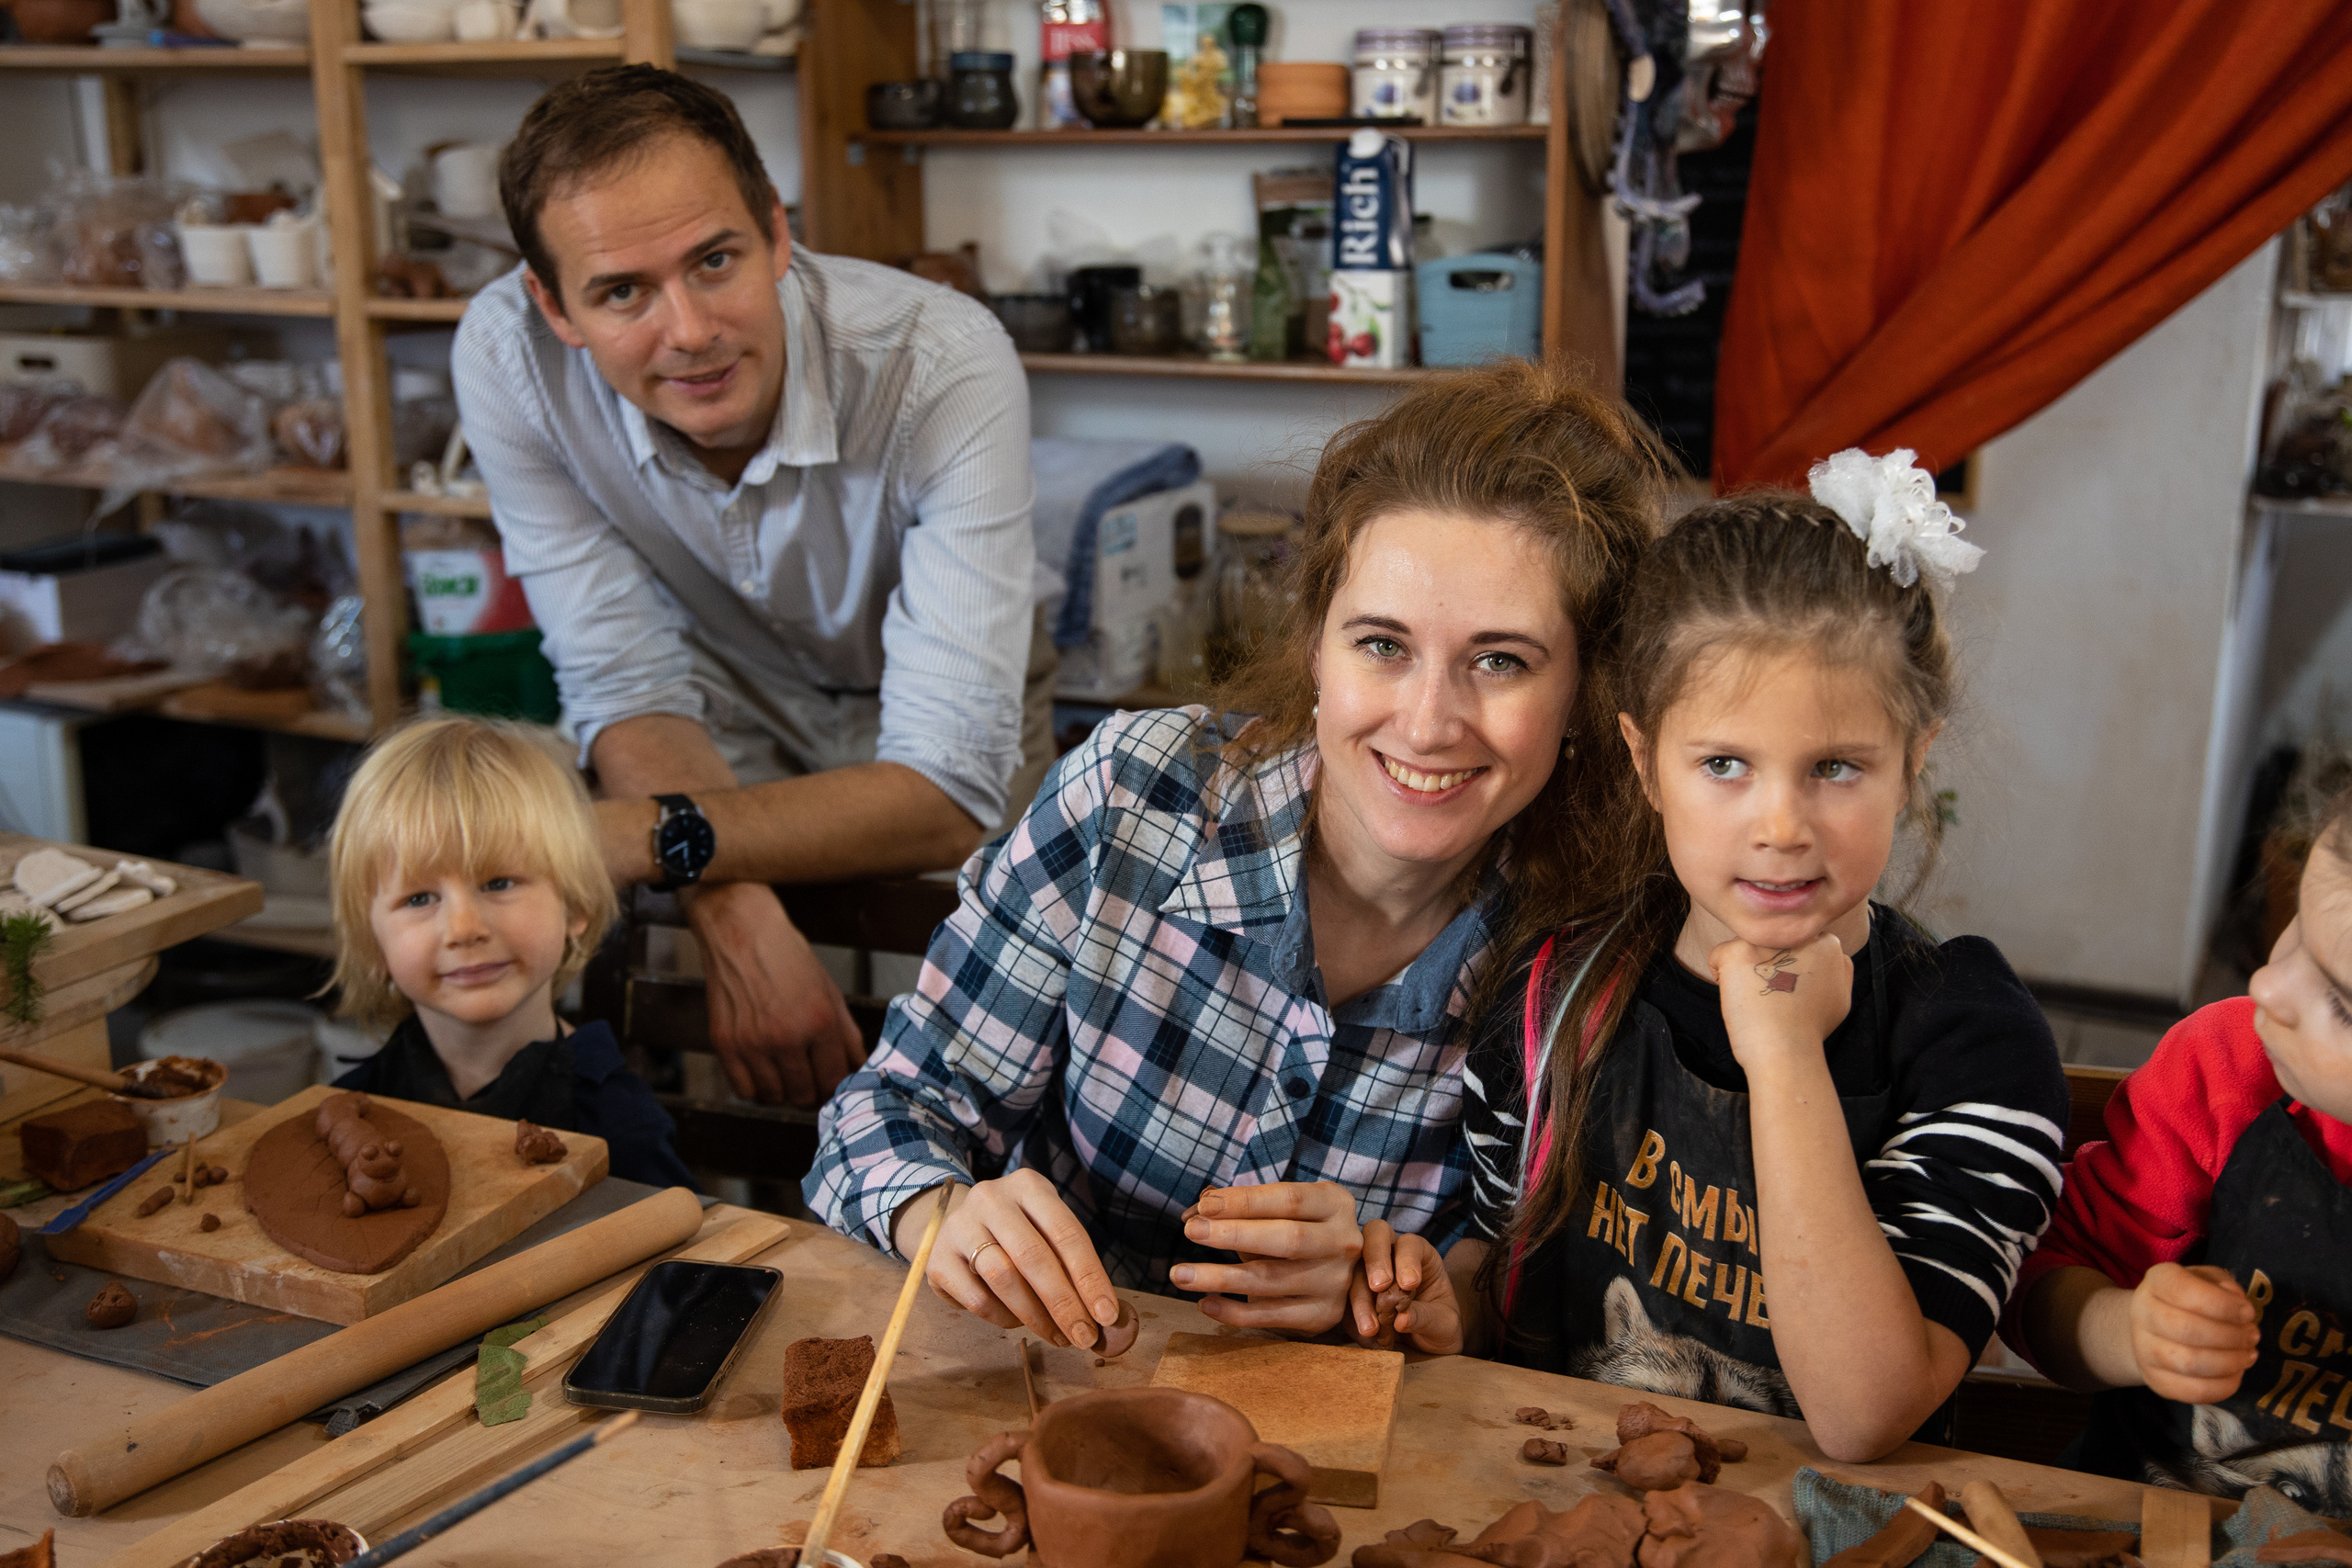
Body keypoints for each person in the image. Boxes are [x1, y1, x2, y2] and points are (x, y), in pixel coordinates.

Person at [804, 361, 1667, 1352]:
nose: (1428, 723)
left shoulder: (1603, 948)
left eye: (1500, 661)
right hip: (1049, 1395)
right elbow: (884, 1116)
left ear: (1582, 698)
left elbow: (1558, 1299)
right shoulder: (1132, 797)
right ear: (1314, 649)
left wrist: (1407, 1301)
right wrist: (943, 1217)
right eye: (1381, 645)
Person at [1355, 453, 2070, 1463]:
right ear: (1645, 763)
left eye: (1834, 767)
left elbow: (1866, 1413)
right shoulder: (1550, 996)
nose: (1779, 825)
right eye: (1723, 765)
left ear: (1912, 762)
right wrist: (1445, 1308)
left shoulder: (1970, 1042)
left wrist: (1781, 1053)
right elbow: (1500, 1276)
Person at [455, 65, 1046, 1110]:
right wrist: (726, 903)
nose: (688, 332)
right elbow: (622, 677)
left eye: (715, 260)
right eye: (622, 291)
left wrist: (640, 841)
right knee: (737, 1082)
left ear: (777, 234)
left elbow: (948, 787)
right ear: (553, 305)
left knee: (967, 1080)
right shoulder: (508, 361)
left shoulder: (941, 360)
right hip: (710, 703)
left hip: (954, 704)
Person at [2002, 781, 2352, 1515]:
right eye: (2294, 936)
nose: (2268, 986)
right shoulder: (2225, 1074)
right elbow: (2040, 1284)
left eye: (2341, 1002)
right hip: (2146, 1517)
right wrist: (2125, 1328)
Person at [326, 717, 697, 1191]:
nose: (464, 928)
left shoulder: (619, 1128)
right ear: (372, 944)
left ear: (575, 905)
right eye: (419, 899)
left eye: (498, 883)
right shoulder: (350, 1112)